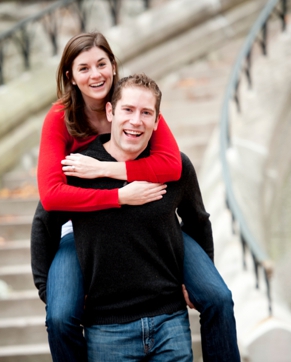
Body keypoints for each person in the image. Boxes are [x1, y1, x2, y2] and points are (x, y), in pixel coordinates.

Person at [30, 32, 239, 361]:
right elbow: (52, 198)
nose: (95, 74)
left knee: (218, 298)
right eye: (83, 68)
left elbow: (171, 165)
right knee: (59, 317)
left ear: (113, 66)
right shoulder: (61, 117)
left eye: (102, 64)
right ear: (70, 76)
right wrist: (119, 198)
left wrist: (107, 171)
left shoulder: (137, 101)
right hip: (81, 224)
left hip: (154, 223)